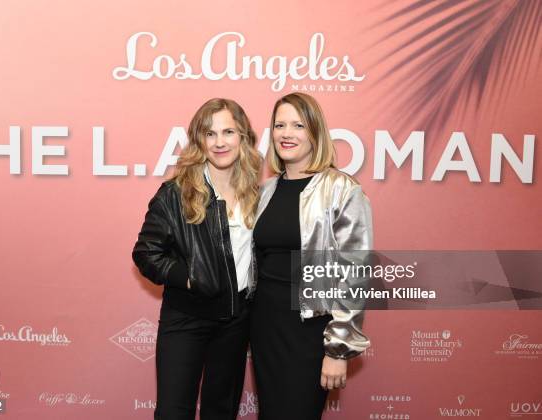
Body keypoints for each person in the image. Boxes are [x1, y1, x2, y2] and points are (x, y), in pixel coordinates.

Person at [132, 98, 261, 420]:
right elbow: (146, 253)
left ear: (243, 136)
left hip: (235, 321)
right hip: (186, 317)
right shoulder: (175, 193)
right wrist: (190, 278)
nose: (219, 142)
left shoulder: (257, 193)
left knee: (221, 410)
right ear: (199, 140)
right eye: (210, 133)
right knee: (174, 411)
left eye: (228, 131)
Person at [250, 92, 373, 419]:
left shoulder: (341, 188)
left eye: (298, 125)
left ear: (315, 132)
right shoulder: (266, 191)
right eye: (279, 125)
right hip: (266, 326)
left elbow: (357, 273)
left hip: (311, 332)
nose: (286, 133)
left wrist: (338, 348)